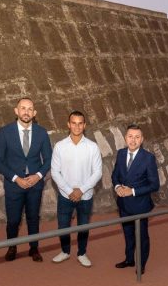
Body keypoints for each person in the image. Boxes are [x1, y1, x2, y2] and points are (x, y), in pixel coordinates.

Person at [0, 97, 52, 262]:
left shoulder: (41, 132)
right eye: (23, 108)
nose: (26, 112)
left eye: (30, 109)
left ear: (34, 113)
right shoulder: (5, 132)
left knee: (33, 217)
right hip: (14, 185)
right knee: (13, 220)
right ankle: (12, 247)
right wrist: (15, 178)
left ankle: (34, 248)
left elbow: (48, 159)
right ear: (16, 111)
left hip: (35, 184)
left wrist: (38, 176)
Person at [50, 111, 103, 268]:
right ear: (68, 124)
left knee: (83, 225)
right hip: (65, 195)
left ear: (85, 125)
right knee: (63, 225)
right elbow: (54, 171)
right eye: (74, 123)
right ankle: (65, 251)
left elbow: (98, 172)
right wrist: (69, 190)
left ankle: (81, 253)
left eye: (80, 123)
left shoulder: (92, 147)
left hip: (85, 195)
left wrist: (81, 190)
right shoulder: (60, 146)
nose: (77, 126)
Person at [111, 124, 160, 273]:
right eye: (130, 136)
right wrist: (118, 187)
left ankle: (141, 264)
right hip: (123, 205)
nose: (133, 140)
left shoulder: (148, 158)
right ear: (125, 138)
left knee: (142, 237)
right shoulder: (120, 153)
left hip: (140, 205)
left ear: (142, 139)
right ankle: (129, 259)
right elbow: (115, 175)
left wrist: (132, 191)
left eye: (137, 137)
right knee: (128, 234)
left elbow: (154, 185)